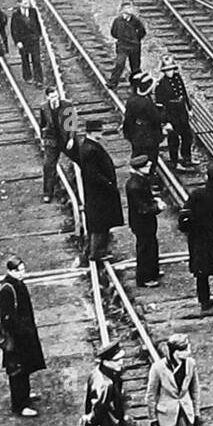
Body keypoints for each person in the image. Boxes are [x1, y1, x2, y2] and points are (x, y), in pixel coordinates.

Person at [147, 333, 201, 426]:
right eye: (184, 349)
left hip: (185, 412)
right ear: (175, 352)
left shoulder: (190, 364)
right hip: (167, 414)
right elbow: (151, 395)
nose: (188, 352)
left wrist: (196, 412)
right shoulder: (158, 368)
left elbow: (195, 389)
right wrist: (153, 418)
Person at [0, 257, 45, 417]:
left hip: (24, 336)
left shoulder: (17, 284)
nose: (24, 273)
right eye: (20, 270)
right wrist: (22, 332)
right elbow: (7, 317)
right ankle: (19, 405)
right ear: (11, 271)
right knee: (17, 371)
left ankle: (25, 396)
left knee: (25, 368)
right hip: (16, 339)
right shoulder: (7, 290)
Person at [181, 165, 213, 311]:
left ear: (206, 178)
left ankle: (204, 301)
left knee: (201, 270)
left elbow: (186, 211)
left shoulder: (197, 194)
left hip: (200, 237)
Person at [70, 120, 124, 262]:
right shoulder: (90, 149)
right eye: (99, 131)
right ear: (92, 133)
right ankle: (97, 253)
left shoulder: (89, 146)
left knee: (101, 222)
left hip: (98, 192)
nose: (101, 133)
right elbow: (93, 173)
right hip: (99, 192)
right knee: (100, 223)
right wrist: (109, 183)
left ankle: (99, 251)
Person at [125, 155, 162, 287]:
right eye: (147, 166)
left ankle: (153, 271)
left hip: (144, 222)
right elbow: (143, 208)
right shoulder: (135, 186)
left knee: (151, 245)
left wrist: (154, 201)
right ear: (139, 168)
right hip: (142, 222)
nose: (149, 168)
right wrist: (157, 207)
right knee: (145, 248)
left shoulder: (139, 180)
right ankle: (144, 278)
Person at [155, 56, 195, 170]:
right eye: (167, 70)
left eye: (171, 69)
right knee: (173, 139)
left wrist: (189, 108)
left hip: (182, 112)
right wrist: (165, 121)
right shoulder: (161, 84)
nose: (170, 72)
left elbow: (184, 94)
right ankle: (174, 161)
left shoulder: (178, 78)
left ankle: (187, 158)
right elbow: (160, 106)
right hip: (171, 113)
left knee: (187, 136)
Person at [122, 72, 165, 170]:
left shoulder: (132, 100)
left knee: (137, 156)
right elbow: (156, 119)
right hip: (149, 135)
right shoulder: (147, 103)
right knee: (151, 158)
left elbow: (128, 119)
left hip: (136, 134)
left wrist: (128, 134)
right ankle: (149, 176)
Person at [39, 86, 75, 202]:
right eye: (52, 97)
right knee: (48, 166)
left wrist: (71, 138)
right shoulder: (44, 108)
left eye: (56, 96)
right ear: (47, 97)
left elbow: (72, 123)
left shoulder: (67, 105)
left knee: (80, 158)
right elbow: (43, 124)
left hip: (65, 139)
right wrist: (43, 139)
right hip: (52, 140)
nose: (55, 99)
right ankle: (47, 193)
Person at [106, 2, 146, 88]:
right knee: (120, 64)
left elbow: (142, 32)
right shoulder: (117, 21)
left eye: (129, 8)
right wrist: (122, 39)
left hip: (134, 47)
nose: (128, 10)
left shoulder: (136, 21)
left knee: (135, 67)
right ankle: (113, 83)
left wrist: (135, 39)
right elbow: (114, 33)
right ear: (122, 11)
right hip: (122, 46)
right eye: (126, 9)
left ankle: (138, 86)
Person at [8, 0, 44, 84]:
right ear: (20, 4)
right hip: (23, 41)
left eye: (27, 3)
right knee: (25, 59)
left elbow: (37, 23)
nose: (27, 5)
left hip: (34, 39)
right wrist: (17, 41)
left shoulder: (33, 11)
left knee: (36, 59)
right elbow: (14, 29)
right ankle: (27, 77)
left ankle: (38, 79)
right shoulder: (16, 15)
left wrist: (39, 35)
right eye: (24, 3)